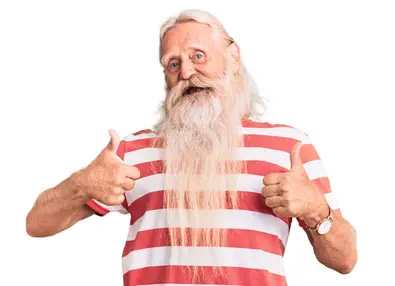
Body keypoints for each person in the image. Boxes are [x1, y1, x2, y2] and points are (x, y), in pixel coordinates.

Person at [25, 8, 357, 286]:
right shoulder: (132, 151)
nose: (186, 72)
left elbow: (345, 260)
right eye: (173, 64)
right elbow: (36, 223)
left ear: (233, 57)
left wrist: (316, 210)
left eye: (198, 56)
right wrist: (83, 183)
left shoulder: (289, 147)